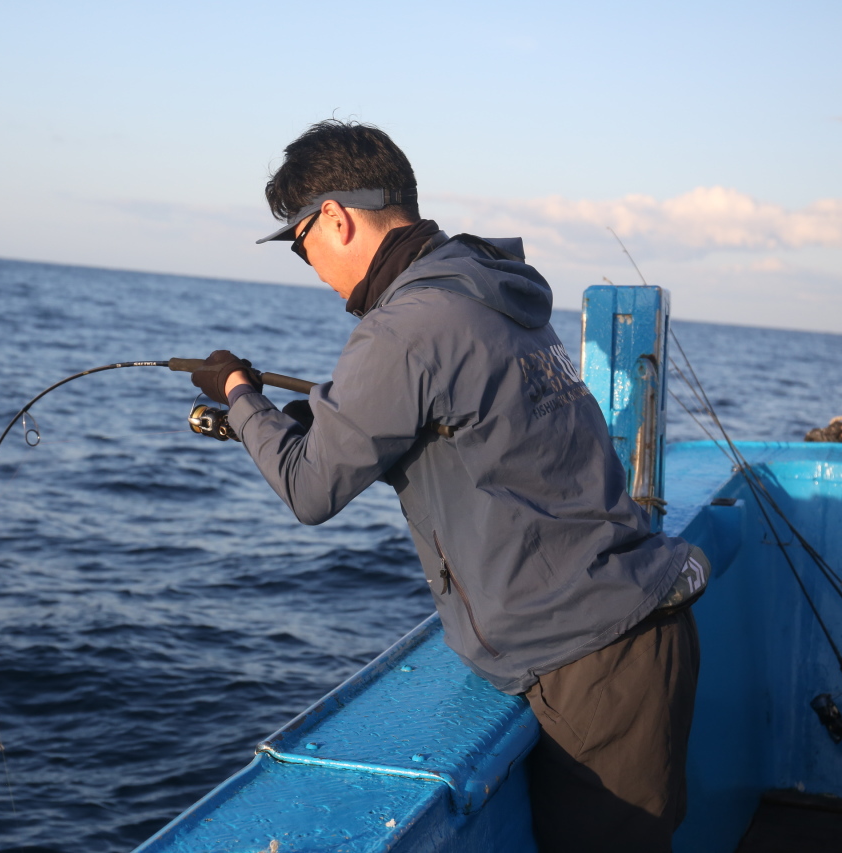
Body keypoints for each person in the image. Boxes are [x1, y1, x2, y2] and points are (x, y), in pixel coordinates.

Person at [188, 120, 706, 853]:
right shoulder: (489, 292)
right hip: (636, 632)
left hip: (591, 662)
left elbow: (309, 488)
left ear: (335, 218)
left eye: (302, 244)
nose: (309, 264)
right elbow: (463, 423)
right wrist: (322, 415)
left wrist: (240, 396)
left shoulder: (405, 326)